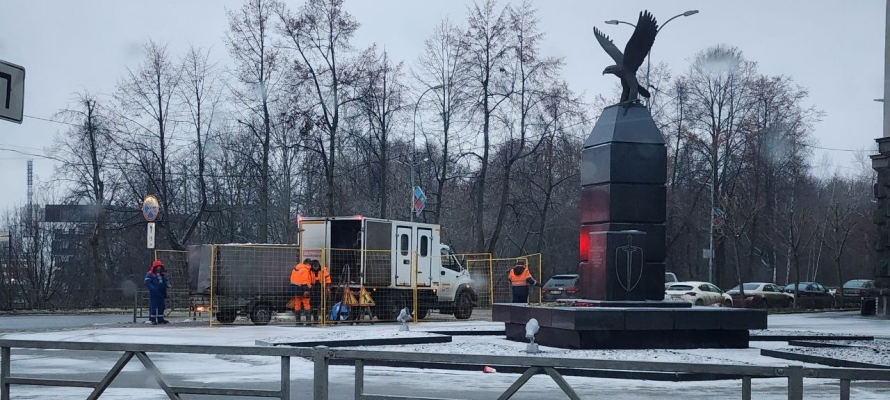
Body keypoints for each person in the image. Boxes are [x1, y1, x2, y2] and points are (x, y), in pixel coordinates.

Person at [145, 260, 170, 325]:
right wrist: (153, 288)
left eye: (160, 266)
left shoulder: (163, 274)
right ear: (154, 267)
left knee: (161, 306)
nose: (159, 268)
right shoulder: (150, 274)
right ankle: (152, 319)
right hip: (154, 293)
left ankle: (160, 319)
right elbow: (147, 282)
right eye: (157, 267)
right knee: (154, 306)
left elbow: (166, 281)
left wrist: (167, 285)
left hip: (161, 292)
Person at [290, 258, 312, 324]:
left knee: (297, 304)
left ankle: (298, 321)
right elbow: (304, 281)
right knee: (306, 304)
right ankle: (308, 321)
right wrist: (307, 289)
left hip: (295, 288)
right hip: (303, 289)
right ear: (308, 264)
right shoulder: (305, 270)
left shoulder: (295, 269)